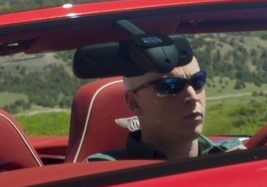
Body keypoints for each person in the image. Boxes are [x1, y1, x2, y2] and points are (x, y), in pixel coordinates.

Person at [90, 55, 242, 161]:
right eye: (170, 86)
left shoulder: (236, 157)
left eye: (198, 81)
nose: (193, 96)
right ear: (134, 103)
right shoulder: (104, 174)